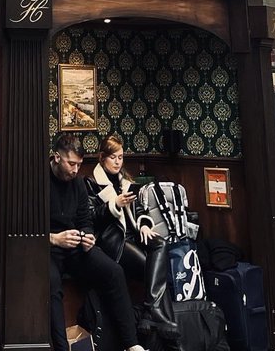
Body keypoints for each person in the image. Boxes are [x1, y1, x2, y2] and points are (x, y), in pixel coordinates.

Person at [48, 133, 145, 351]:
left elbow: (85, 219)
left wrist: (88, 236)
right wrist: (53, 238)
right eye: (71, 163)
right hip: (49, 248)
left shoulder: (78, 182)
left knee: (114, 272)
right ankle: (62, 348)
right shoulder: (39, 181)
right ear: (56, 157)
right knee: (51, 284)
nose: (75, 170)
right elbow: (27, 228)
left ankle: (132, 344)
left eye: (79, 165)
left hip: (75, 246)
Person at [85, 134, 178, 344]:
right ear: (102, 158)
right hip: (113, 241)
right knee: (152, 268)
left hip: (133, 235)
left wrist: (144, 224)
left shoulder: (126, 181)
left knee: (160, 243)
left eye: (120, 157)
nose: (118, 162)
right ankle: (172, 339)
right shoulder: (91, 183)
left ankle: (151, 312)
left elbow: (141, 209)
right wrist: (114, 204)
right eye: (113, 157)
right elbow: (91, 218)